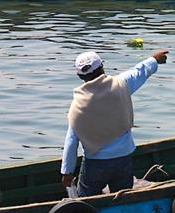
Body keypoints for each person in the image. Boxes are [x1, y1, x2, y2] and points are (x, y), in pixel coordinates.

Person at [61, 50, 169, 197]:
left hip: (95, 163)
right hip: (123, 158)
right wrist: (155, 59)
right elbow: (140, 71)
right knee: (122, 196)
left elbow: (71, 141)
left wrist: (67, 172)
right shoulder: (120, 84)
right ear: (102, 68)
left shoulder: (77, 106)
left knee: (85, 200)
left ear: (80, 76)